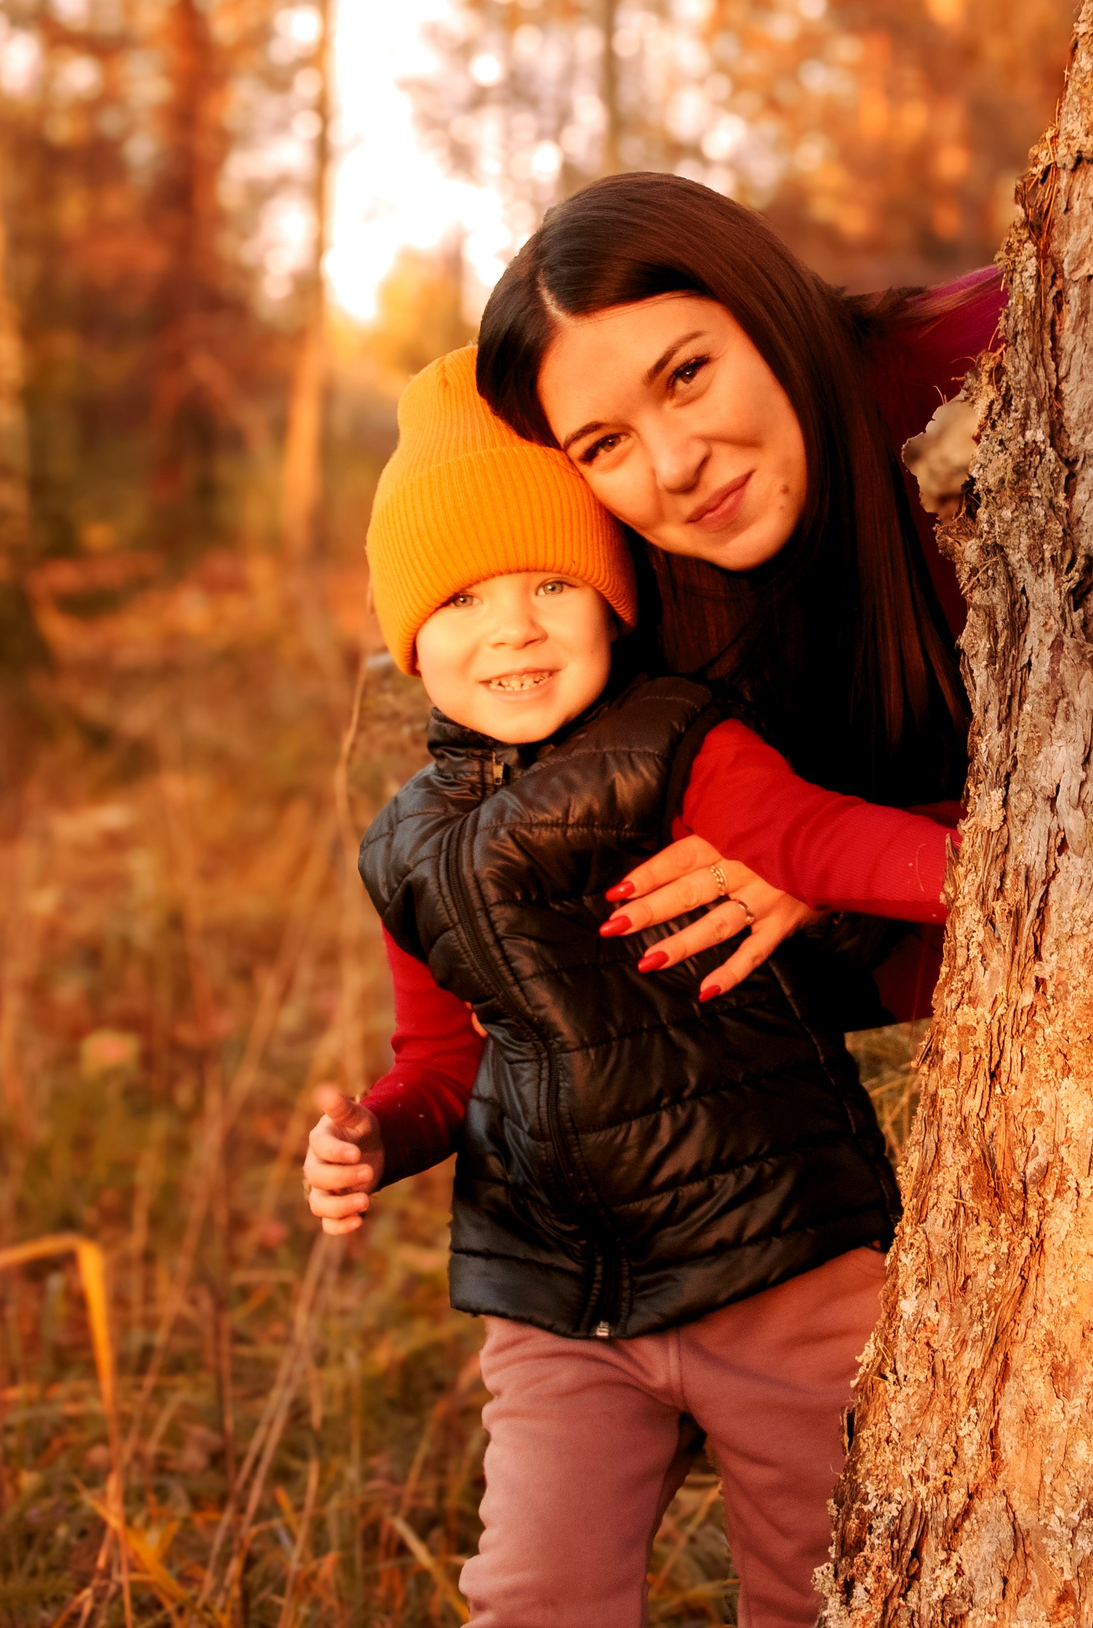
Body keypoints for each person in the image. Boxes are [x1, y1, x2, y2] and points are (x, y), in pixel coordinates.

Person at [307, 347, 957, 1627]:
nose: (513, 627)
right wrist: (374, 1137)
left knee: (820, 1588)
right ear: (408, 638)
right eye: (463, 600)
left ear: (611, 600)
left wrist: (1005, 864)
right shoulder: (402, 841)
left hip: (775, 1258)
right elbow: (444, 1059)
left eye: (554, 580)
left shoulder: (678, 739)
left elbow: (818, 840)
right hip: (558, 1296)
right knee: (534, 1595)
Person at [475, 170, 1003, 1014]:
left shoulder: (999, 356)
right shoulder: (659, 607)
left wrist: (834, 864)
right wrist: (824, 862)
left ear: (762, 303)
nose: (676, 465)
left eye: (687, 373)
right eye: (606, 443)